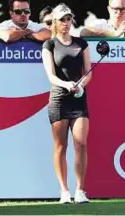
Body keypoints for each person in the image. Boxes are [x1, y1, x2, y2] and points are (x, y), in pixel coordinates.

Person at [42, 3, 92, 204]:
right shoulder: (50, 45)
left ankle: (80, 191)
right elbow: (51, 76)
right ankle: (64, 191)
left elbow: (89, 72)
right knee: (60, 146)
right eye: (62, 19)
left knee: (80, 143)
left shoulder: (82, 43)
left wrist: (80, 85)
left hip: (78, 98)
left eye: (68, 18)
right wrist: (66, 84)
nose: (66, 23)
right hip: (59, 99)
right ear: (55, 21)